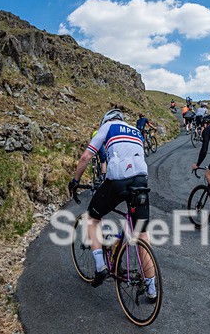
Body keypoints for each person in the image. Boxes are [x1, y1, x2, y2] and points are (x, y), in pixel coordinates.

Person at [67, 109, 156, 300]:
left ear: (105, 121)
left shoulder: (108, 126)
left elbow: (85, 158)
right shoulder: (136, 131)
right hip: (141, 181)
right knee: (141, 233)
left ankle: (100, 267)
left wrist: (75, 181)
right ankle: (152, 288)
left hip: (118, 180)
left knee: (92, 216)